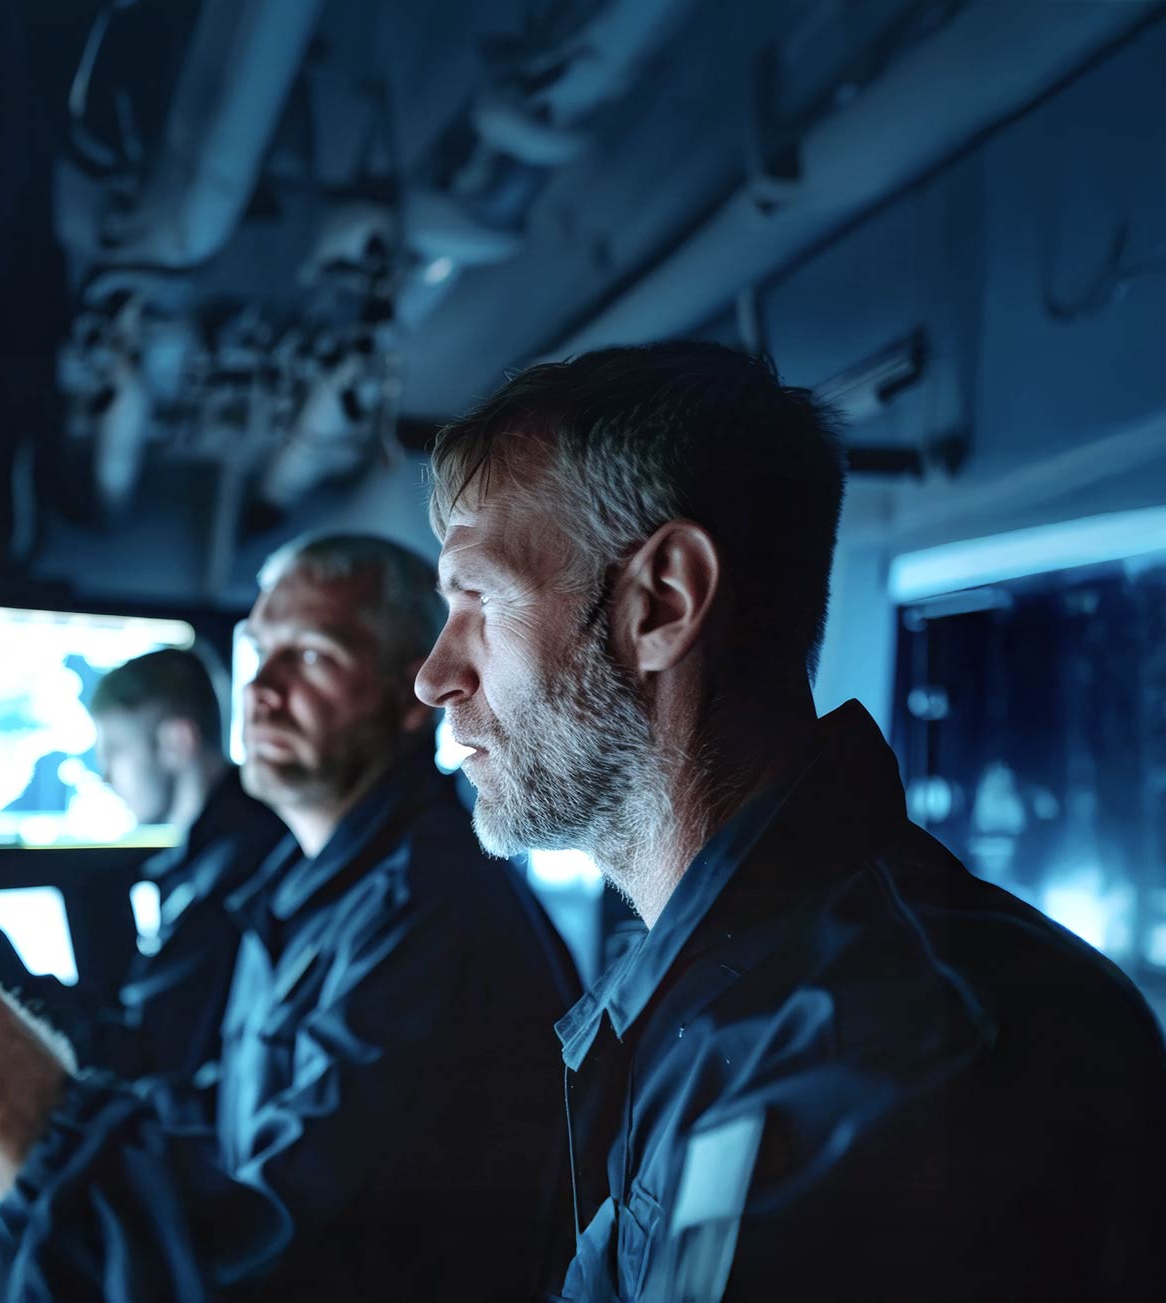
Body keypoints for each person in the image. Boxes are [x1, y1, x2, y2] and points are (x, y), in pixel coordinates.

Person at [415, 340, 1166, 1300]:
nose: (434, 676)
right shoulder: (735, 992)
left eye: (478, 599)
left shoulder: (887, 1053)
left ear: (663, 603)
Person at [0, 535, 580, 1301]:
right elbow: (219, 1112)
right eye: (257, 651)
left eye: (311, 655)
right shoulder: (308, 885)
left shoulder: (428, 923)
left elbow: (263, 1278)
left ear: (403, 691)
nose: (260, 689)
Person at [86, 647, 289, 1080]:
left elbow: (150, 1053)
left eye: (115, 750)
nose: (104, 775)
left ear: (177, 742)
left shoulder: (234, 867)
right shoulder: (222, 848)